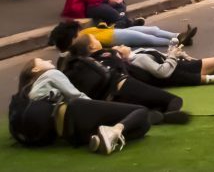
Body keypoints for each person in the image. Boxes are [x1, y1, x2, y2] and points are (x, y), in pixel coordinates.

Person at [12, 58, 153, 154]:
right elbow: (76, 96)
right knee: (141, 111)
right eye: (43, 60)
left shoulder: (25, 93)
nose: (49, 60)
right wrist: (100, 107)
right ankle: (114, 131)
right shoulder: (50, 74)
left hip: (67, 134)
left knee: (142, 125)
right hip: (74, 112)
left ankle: (101, 138)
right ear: (36, 69)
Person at [60, 36, 190, 122]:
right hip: (123, 84)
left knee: (147, 105)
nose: (98, 40)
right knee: (175, 100)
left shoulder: (81, 65)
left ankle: (149, 113)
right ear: (92, 47)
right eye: (95, 39)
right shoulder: (108, 54)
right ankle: (161, 117)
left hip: (106, 100)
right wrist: (121, 54)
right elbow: (124, 71)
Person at [72, 32, 214, 87]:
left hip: (177, 65)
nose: (117, 47)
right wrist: (173, 56)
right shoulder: (136, 60)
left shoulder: (135, 56)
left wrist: (174, 54)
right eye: (95, 40)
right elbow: (162, 71)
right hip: (176, 69)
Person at [50, 20, 194, 52]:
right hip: (116, 37)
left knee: (152, 30)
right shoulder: (79, 39)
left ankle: (179, 35)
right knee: (149, 38)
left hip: (115, 32)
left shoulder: (81, 34)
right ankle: (178, 40)